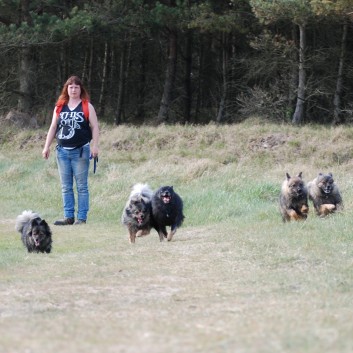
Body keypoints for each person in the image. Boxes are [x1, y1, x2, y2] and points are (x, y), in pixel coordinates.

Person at [42, 75, 99, 225]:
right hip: (62, 152)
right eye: (71, 87)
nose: (73, 89)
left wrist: (95, 146)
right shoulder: (60, 106)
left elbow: (95, 127)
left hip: (81, 151)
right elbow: (53, 127)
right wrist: (46, 146)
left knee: (81, 186)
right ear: (66, 89)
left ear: (81, 89)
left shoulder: (87, 106)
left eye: (76, 87)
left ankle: (81, 218)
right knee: (66, 186)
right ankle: (68, 217)